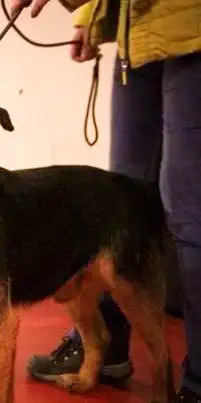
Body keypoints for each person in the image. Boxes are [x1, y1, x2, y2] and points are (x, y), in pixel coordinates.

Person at [11, 0, 201, 401]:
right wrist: (90, 17)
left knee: (189, 216)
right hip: (137, 32)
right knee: (118, 205)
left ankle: (199, 381)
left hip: (193, 29)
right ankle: (107, 346)